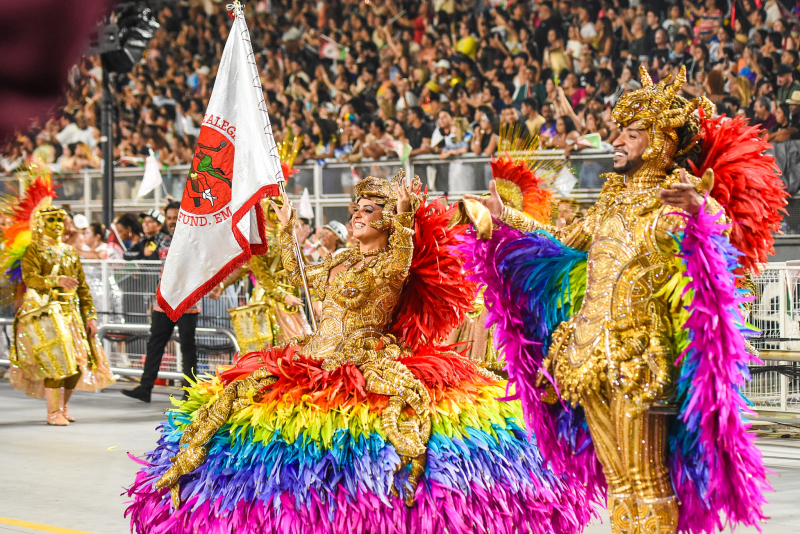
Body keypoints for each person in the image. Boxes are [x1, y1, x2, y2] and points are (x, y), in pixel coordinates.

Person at [126, 172, 598, 534]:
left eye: (370, 210)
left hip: (363, 359)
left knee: (399, 427)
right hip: (310, 358)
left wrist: (409, 216)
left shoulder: (388, 266)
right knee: (231, 402)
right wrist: (285, 230)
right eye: (356, 207)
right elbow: (298, 279)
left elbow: (402, 255)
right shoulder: (338, 260)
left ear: (388, 223)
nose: (357, 214)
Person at [462, 65, 775, 534]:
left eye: (630, 134)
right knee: (619, 484)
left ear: (662, 143)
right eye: (619, 132)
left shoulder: (673, 200)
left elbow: (718, 246)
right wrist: (508, 217)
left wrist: (699, 208)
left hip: (639, 357)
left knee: (647, 481)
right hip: (588, 354)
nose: (617, 141)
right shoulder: (610, 202)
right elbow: (563, 240)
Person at [5, 177, 115, 424]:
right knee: (58, 363)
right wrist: (56, 282)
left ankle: (63, 408)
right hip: (47, 315)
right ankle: (52, 412)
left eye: (59, 219)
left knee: (78, 364)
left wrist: (91, 315)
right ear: (40, 224)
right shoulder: (33, 250)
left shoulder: (69, 251)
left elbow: (83, 287)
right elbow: (31, 279)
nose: (56, 224)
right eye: (50, 220)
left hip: (72, 315)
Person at [122, 201, 196, 404]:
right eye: (170, 218)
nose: (173, 222)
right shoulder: (162, 240)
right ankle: (145, 388)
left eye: (176, 217)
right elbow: (141, 255)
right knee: (155, 344)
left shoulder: (194, 238)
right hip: (163, 300)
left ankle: (190, 392)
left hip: (188, 300)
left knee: (188, 347)